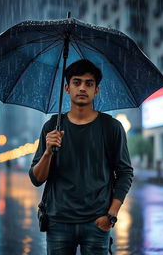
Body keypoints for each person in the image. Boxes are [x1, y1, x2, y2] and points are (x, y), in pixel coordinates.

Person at [29, 59, 134, 255]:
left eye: (89, 83)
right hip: (58, 221)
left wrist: (111, 215)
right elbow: (36, 179)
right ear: (67, 88)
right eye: (77, 82)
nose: (83, 88)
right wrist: (48, 152)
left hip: (97, 222)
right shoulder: (52, 127)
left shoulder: (111, 127)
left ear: (96, 91)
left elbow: (125, 172)